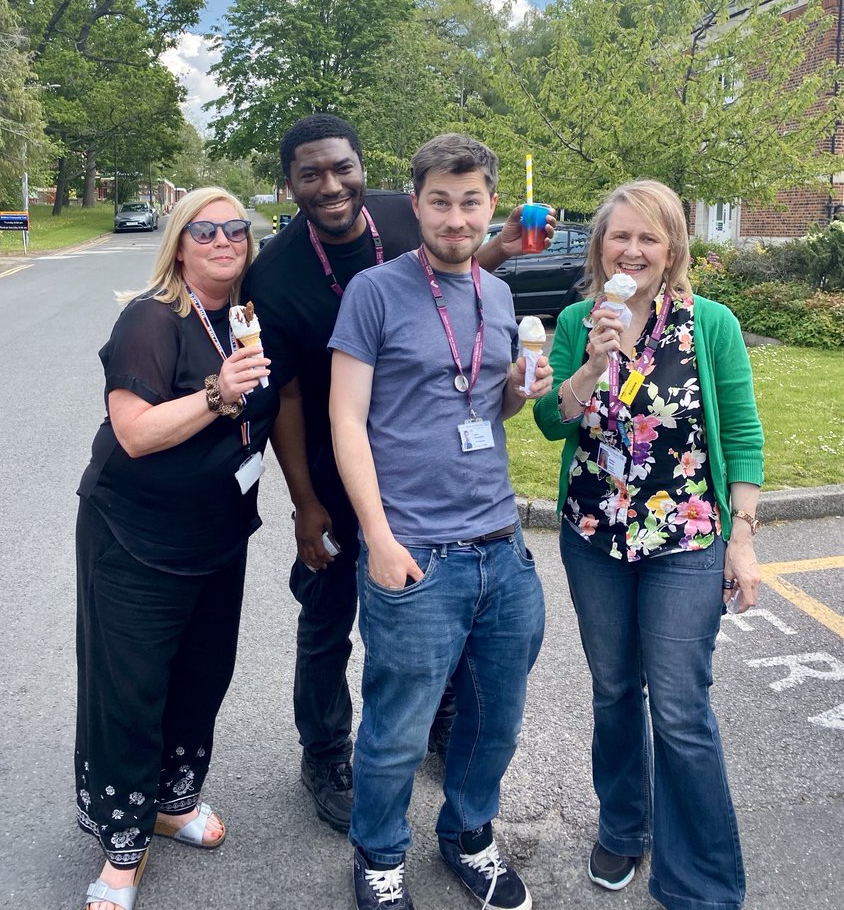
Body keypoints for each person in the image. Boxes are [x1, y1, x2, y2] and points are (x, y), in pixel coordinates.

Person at [241, 114, 553, 833]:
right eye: (310, 174)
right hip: (332, 454)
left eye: (342, 168)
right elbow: (288, 394)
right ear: (289, 183)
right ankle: (324, 750)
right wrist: (306, 502)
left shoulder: (397, 210)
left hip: (422, 459)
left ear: (364, 167)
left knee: (432, 607)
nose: (331, 185)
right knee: (326, 617)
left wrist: (502, 244)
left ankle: (439, 722)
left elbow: (453, 282)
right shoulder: (277, 270)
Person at [329, 133, 550, 910]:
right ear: (415, 202)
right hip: (414, 552)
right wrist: (379, 541)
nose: (456, 217)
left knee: (495, 721)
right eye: (440, 200)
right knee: (396, 727)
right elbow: (346, 422)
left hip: (501, 548)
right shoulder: (375, 293)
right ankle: (380, 854)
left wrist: (523, 386)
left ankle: (468, 836)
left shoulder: (496, 294)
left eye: (471, 201)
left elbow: (489, 408)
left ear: (490, 205)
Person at [534, 179, 763, 910]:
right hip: (594, 537)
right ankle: (624, 825)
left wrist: (744, 538)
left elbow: (745, 438)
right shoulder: (577, 319)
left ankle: (701, 882)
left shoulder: (711, 325)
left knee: (680, 706)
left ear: (672, 252)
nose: (632, 249)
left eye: (649, 238)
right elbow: (549, 423)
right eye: (619, 236)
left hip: (686, 538)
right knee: (612, 693)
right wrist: (593, 364)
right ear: (600, 248)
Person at [75, 187, 277, 910]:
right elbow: (132, 432)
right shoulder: (151, 319)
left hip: (219, 533)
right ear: (179, 243)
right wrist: (218, 394)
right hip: (134, 536)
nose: (224, 239)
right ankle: (122, 849)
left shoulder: (247, 318)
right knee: (131, 688)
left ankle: (173, 799)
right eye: (205, 230)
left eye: (236, 229)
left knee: (202, 674)